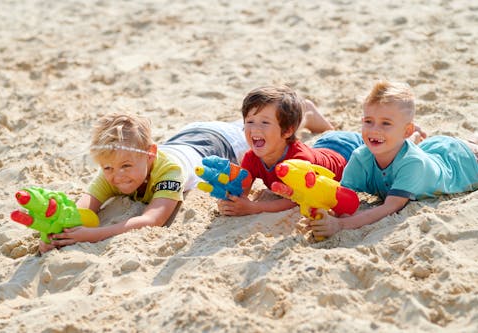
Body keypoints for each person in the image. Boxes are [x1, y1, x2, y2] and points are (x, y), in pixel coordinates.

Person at [39, 113, 249, 253]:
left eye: (126, 166)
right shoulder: (113, 169)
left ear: (150, 155)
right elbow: (81, 209)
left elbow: (152, 219)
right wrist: (55, 233)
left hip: (226, 142)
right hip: (186, 135)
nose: (117, 176)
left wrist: (92, 235)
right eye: (108, 168)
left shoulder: (170, 171)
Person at [304, 80, 478, 239]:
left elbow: (389, 207)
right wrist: (321, 214)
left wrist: (340, 225)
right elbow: (341, 196)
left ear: (406, 130)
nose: (374, 130)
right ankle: (414, 139)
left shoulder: (412, 164)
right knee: (398, 147)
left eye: (386, 123)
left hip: (462, 163)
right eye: (368, 121)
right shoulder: (360, 157)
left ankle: (416, 139)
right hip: (429, 151)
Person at [217, 85, 364, 216]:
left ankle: (311, 115)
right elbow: (241, 191)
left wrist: (254, 207)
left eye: (265, 122)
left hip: (347, 150)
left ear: (287, 131)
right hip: (322, 146)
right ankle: (311, 115)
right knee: (326, 135)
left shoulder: (300, 160)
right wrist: (230, 200)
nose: (255, 128)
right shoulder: (252, 157)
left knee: (334, 136)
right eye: (250, 121)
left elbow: (296, 201)